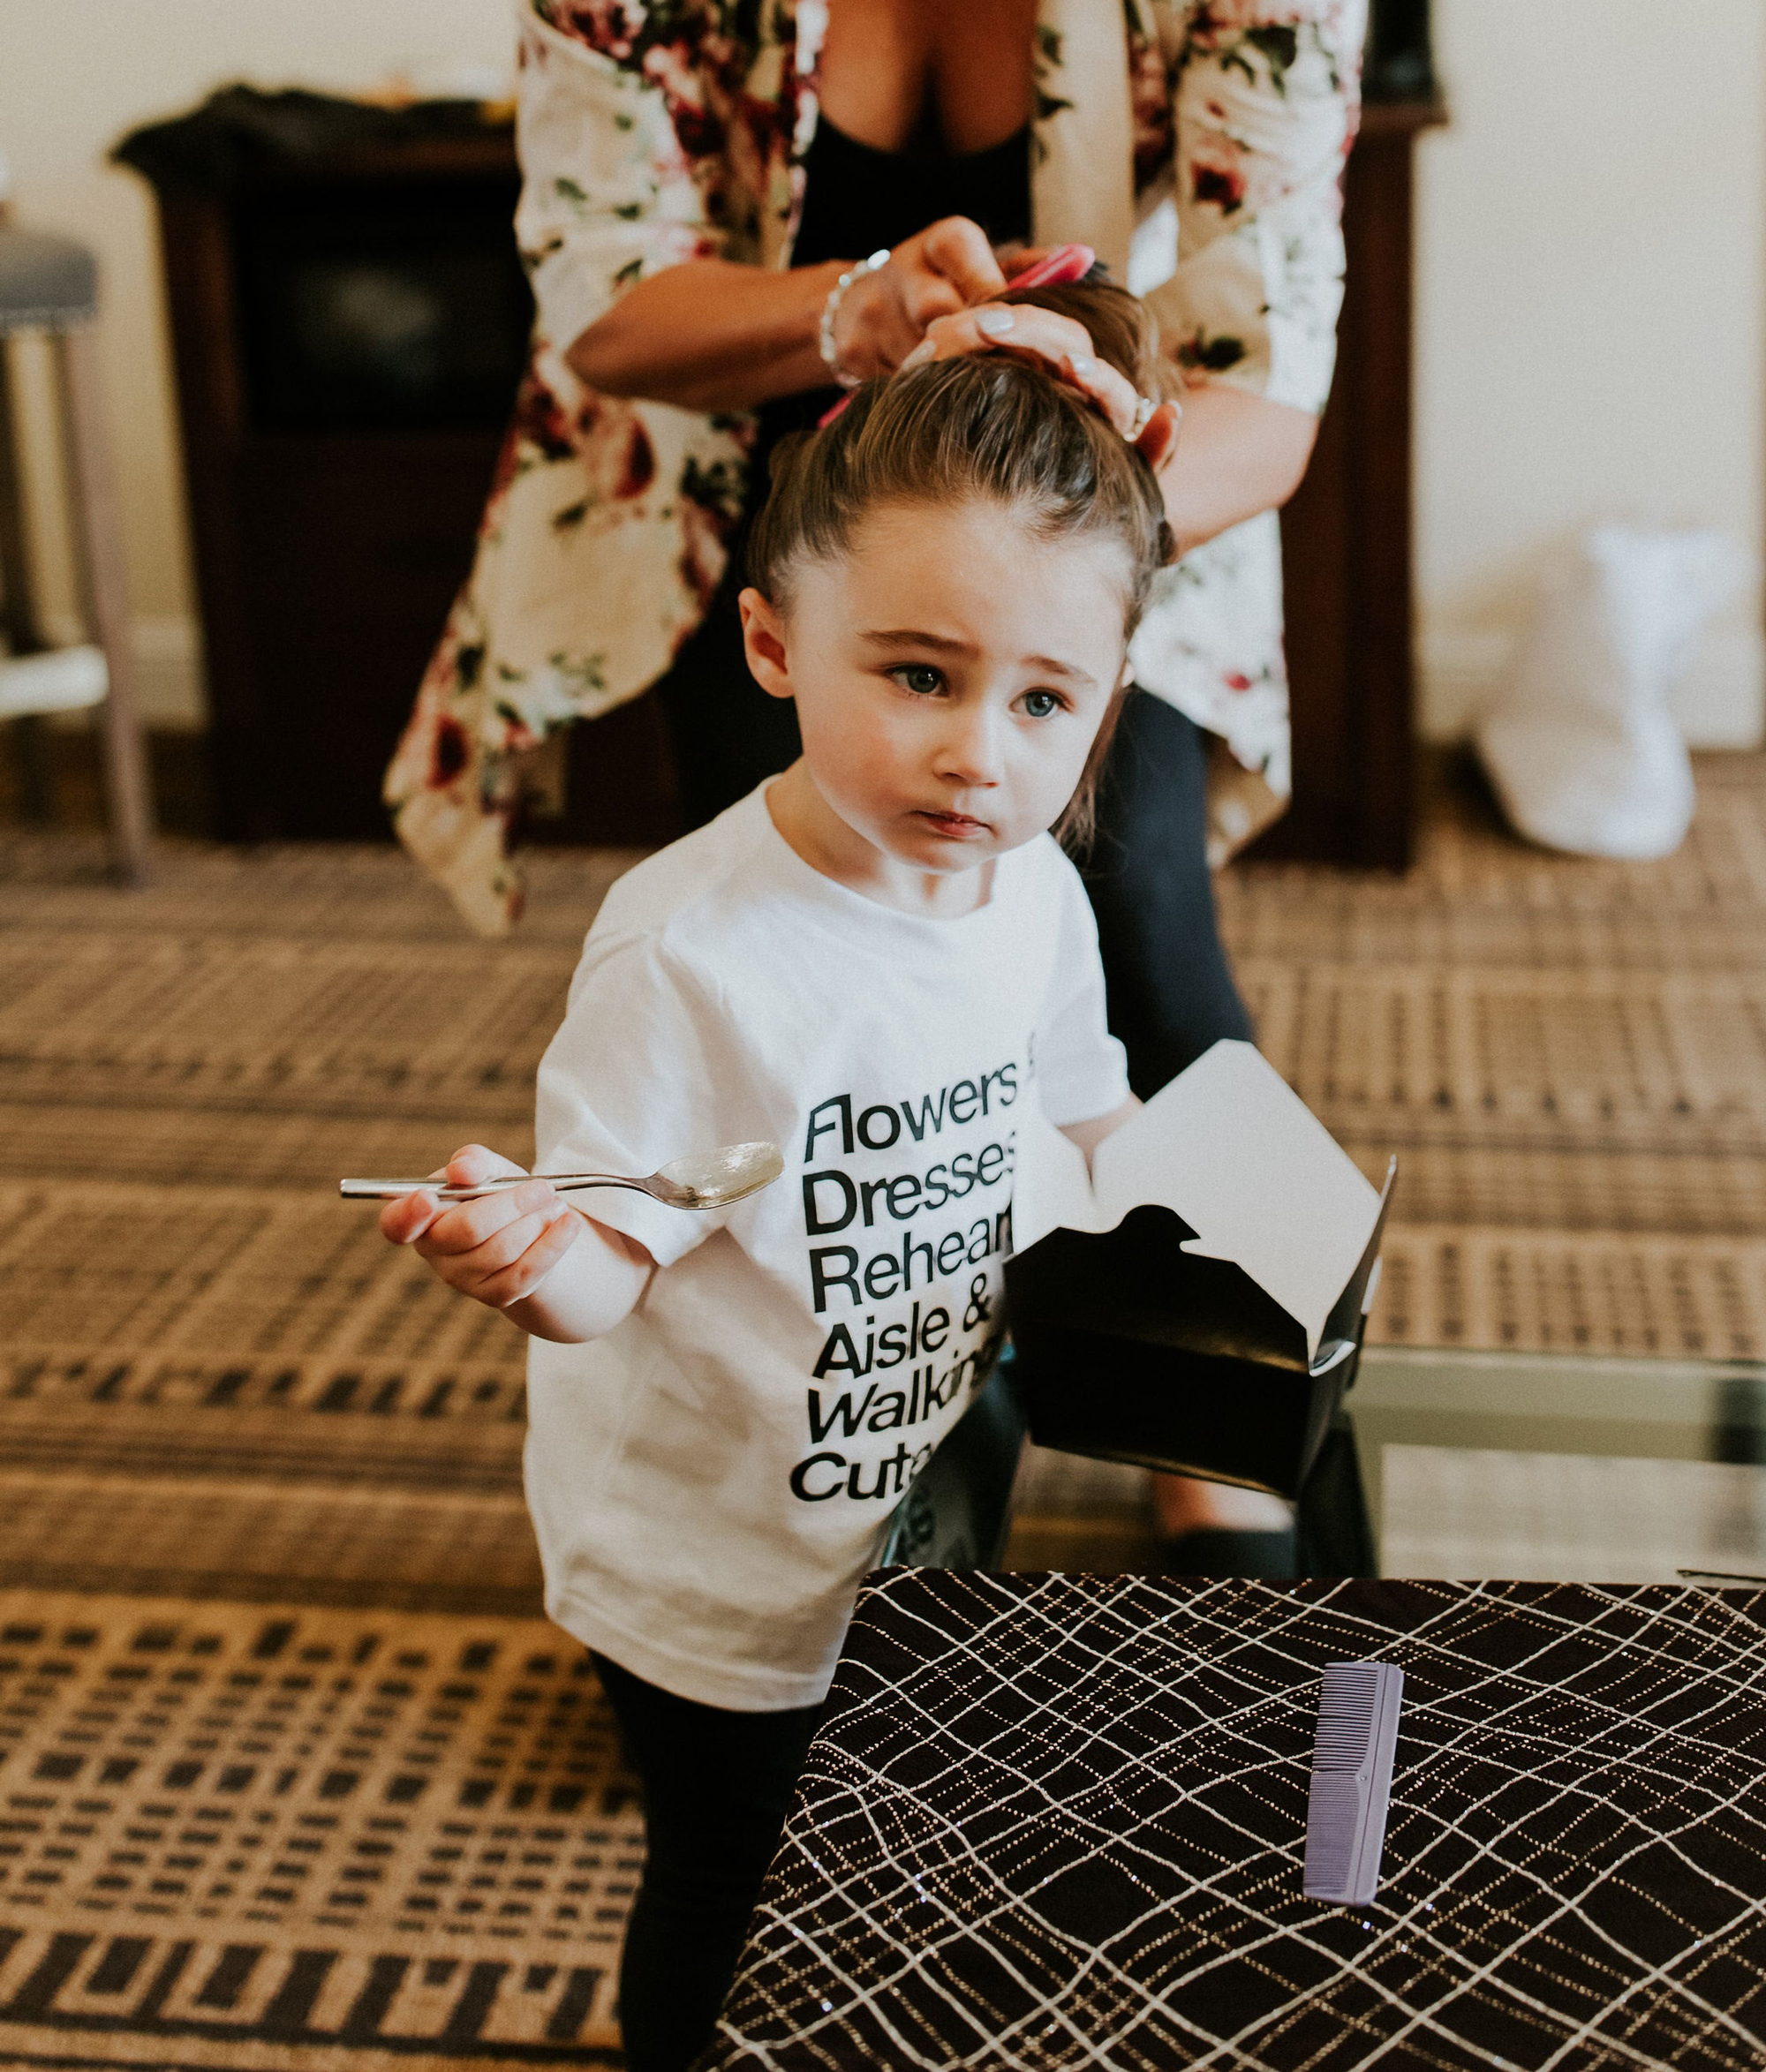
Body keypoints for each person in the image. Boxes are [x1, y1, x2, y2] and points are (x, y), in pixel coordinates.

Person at [378, 288, 1169, 2069]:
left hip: (926, 1503)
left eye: (1047, 697)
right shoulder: (693, 952)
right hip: (713, 1562)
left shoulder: (1029, 888)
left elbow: (1082, 1096)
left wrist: (1216, 1225)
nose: (983, 751)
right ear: (768, 643)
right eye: (917, 675)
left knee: (907, 1854)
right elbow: (608, 1267)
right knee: (735, 1885)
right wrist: (524, 1259)